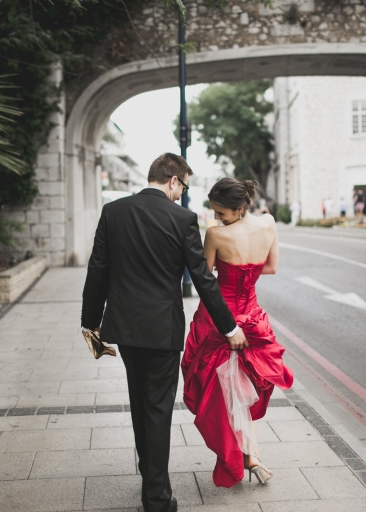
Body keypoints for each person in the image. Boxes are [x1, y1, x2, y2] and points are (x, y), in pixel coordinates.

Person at [81, 153, 248, 512]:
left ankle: (149, 471)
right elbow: (203, 279)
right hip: (162, 330)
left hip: (125, 328)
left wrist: (90, 321)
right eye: (183, 186)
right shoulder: (182, 219)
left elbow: (98, 268)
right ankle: (156, 498)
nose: (182, 194)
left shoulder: (114, 212)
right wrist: (229, 326)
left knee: (140, 402)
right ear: (173, 180)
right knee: (157, 409)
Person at [182, 177, 294, 488]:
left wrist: (223, 269)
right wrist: (248, 268)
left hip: (220, 317)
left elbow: (205, 281)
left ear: (240, 208)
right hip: (252, 315)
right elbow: (270, 267)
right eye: (215, 213)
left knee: (222, 389)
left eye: (221, 213)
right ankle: (251, 454)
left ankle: (244, 454)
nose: (216, 218)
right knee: (242, 384)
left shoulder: (216, 235)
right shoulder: (269, 224)